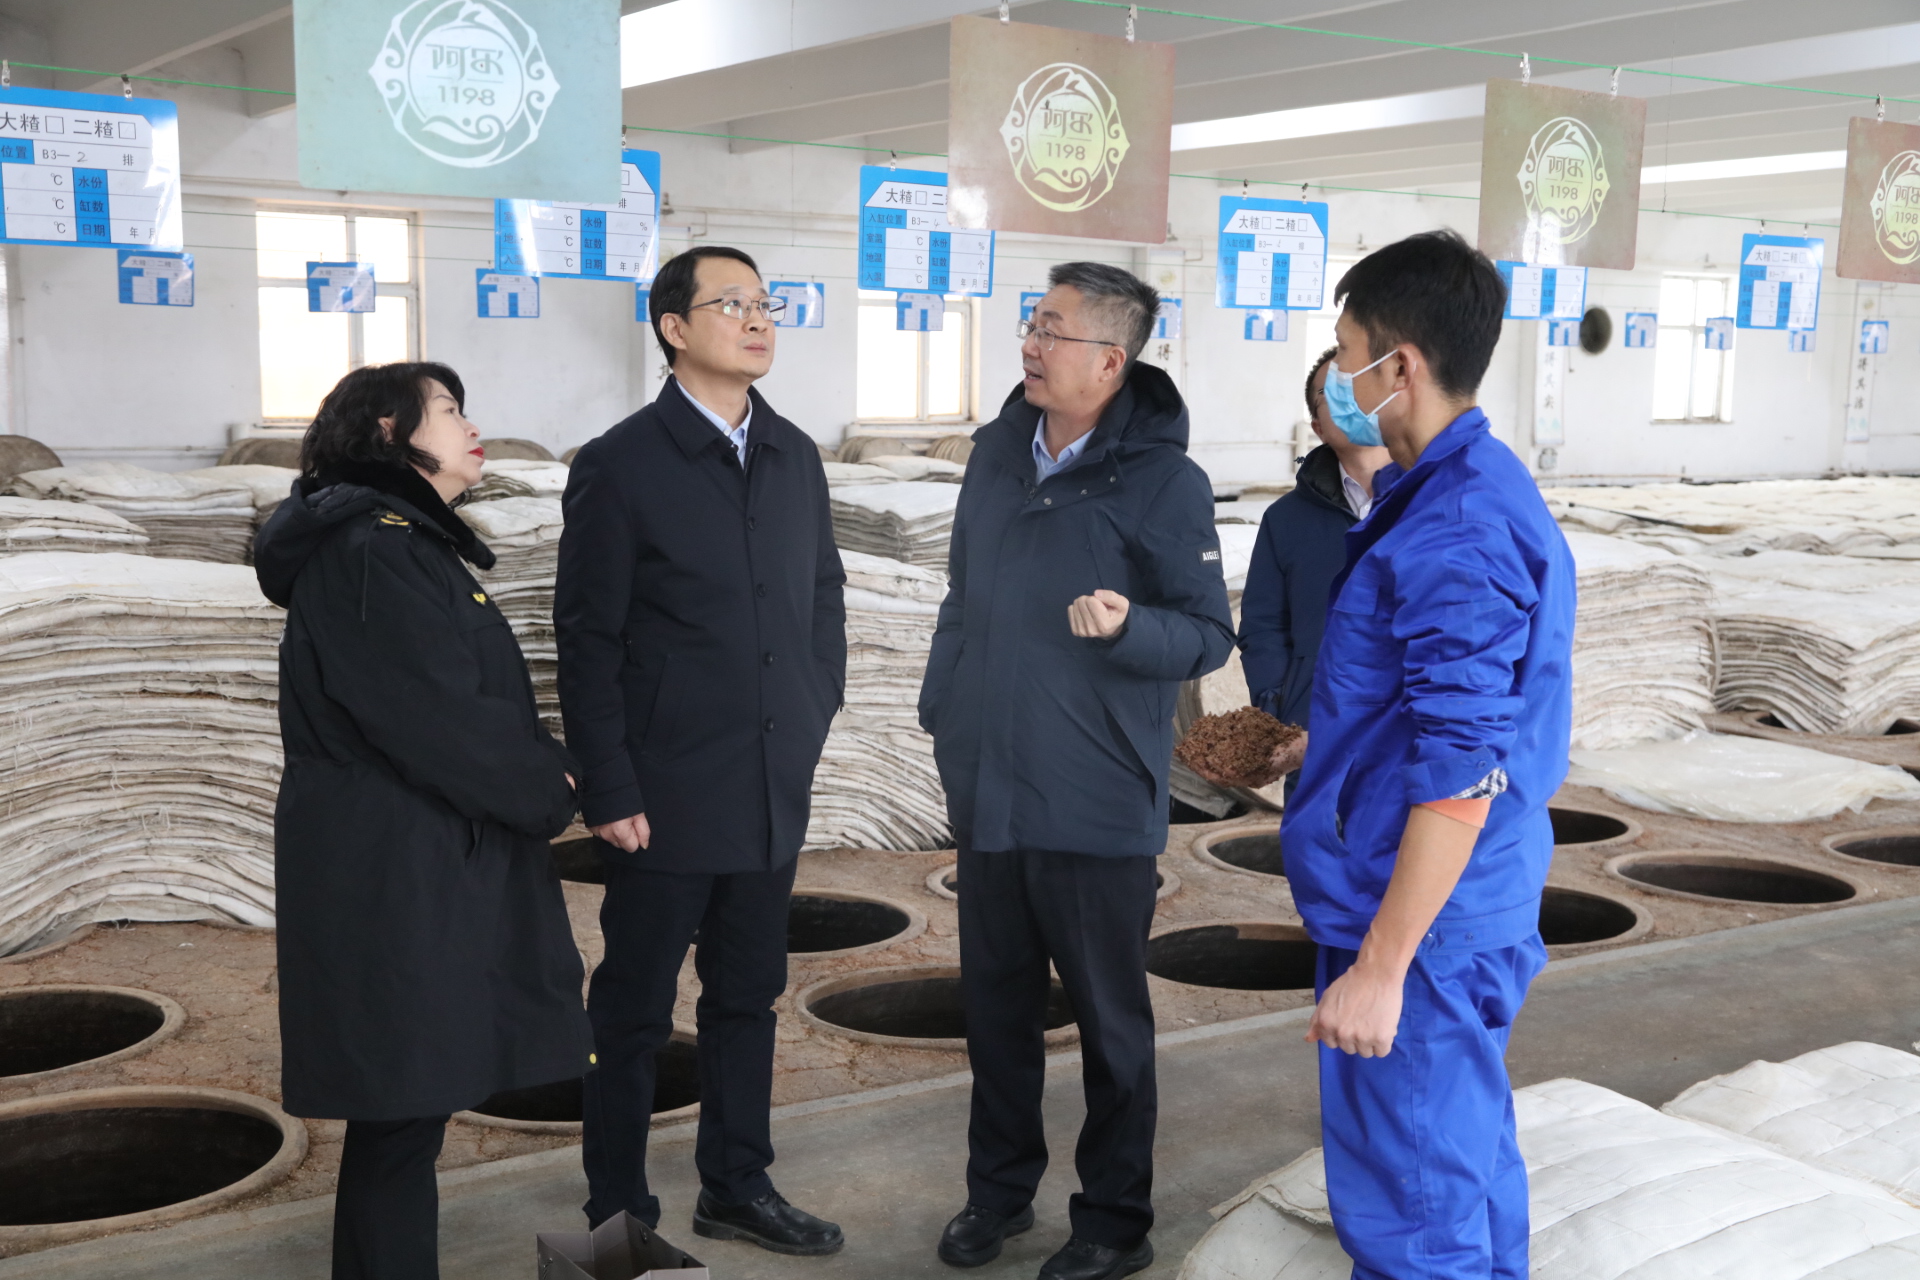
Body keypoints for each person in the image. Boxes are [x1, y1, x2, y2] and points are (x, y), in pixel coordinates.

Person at [919, 262, 1234, 1280]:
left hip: (1096, 795)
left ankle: (1113, 1221)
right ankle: (997, 1193)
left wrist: (1132, 625)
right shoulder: (996, 452)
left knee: (1109, 1025)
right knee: (996, 1011)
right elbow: (963, 597)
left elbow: (1207, 634)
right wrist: (943, 708)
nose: (1030, 342)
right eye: (1032, 322)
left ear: (1110, 358)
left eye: (1052, 329)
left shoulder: (1164, 482)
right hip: (991, 787)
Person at [1280, 229, 1576, 1280]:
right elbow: (1432, 714)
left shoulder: (1455, 527)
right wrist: (1328, 750)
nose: (1338, 373)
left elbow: (1461, 767)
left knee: (1414, 1213)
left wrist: (1382, 966)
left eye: (1346, 349)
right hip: (1460, 901)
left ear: (1397, 365)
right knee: (1461, 1167)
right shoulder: (1465, 485)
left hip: (1422, 920)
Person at [255, 362, 588, 1280]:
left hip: (411, 853)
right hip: (394, 865)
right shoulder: (375, 551)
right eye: (447, 409)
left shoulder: (399, 544)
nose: (470, 425)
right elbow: (438, 720)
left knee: (407, 1111)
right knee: (401, 1112)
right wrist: (552, 784)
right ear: (389, 432)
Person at [555, 245, 847, 1256]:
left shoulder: (794, 453)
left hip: (768, 780)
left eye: (766, 304)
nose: (758, 320)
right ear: (674, 328)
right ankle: (616, 1217)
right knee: (633, 1010)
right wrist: (608, 784)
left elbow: (821, 595)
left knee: (747, 995)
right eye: (733, 304)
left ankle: (737, 1183)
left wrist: (812, 707)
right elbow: (586, 638)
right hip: (663, 791)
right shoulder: (621, 463)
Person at [1196, 347, 1392, 793]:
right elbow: (1264, 625)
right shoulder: (1287, 519)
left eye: (1358, 385)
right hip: (1313, 739)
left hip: (1407, 739)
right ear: (1318, 427)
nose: (1350, 399)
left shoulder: (1429, 504)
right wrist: (1279, 712)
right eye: (1332, 393)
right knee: (1316, 836)